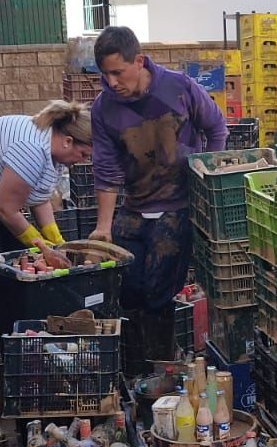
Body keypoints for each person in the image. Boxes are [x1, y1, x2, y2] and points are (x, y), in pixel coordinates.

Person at [89, 25, 227, 371]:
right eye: (104, 74)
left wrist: (206, 182)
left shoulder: (178, 88)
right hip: (134, 207)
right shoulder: (104, 108)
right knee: (127, 288)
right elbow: (106, 169)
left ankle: (162, 368)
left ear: (139, 61)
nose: (111, 81)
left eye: (117, 72)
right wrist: (103, 228)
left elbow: (216, 129)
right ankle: (135, 369)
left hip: (178, 206)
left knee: (158, 294)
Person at [0, 103, 92, 257]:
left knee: (23, 255)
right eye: (83, 154)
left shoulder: (54, 149)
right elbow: (5, 210)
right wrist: (42, 246)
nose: (83, 160)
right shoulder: (32, 150)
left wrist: (57, 242)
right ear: (68, 141)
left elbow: (39, 198)